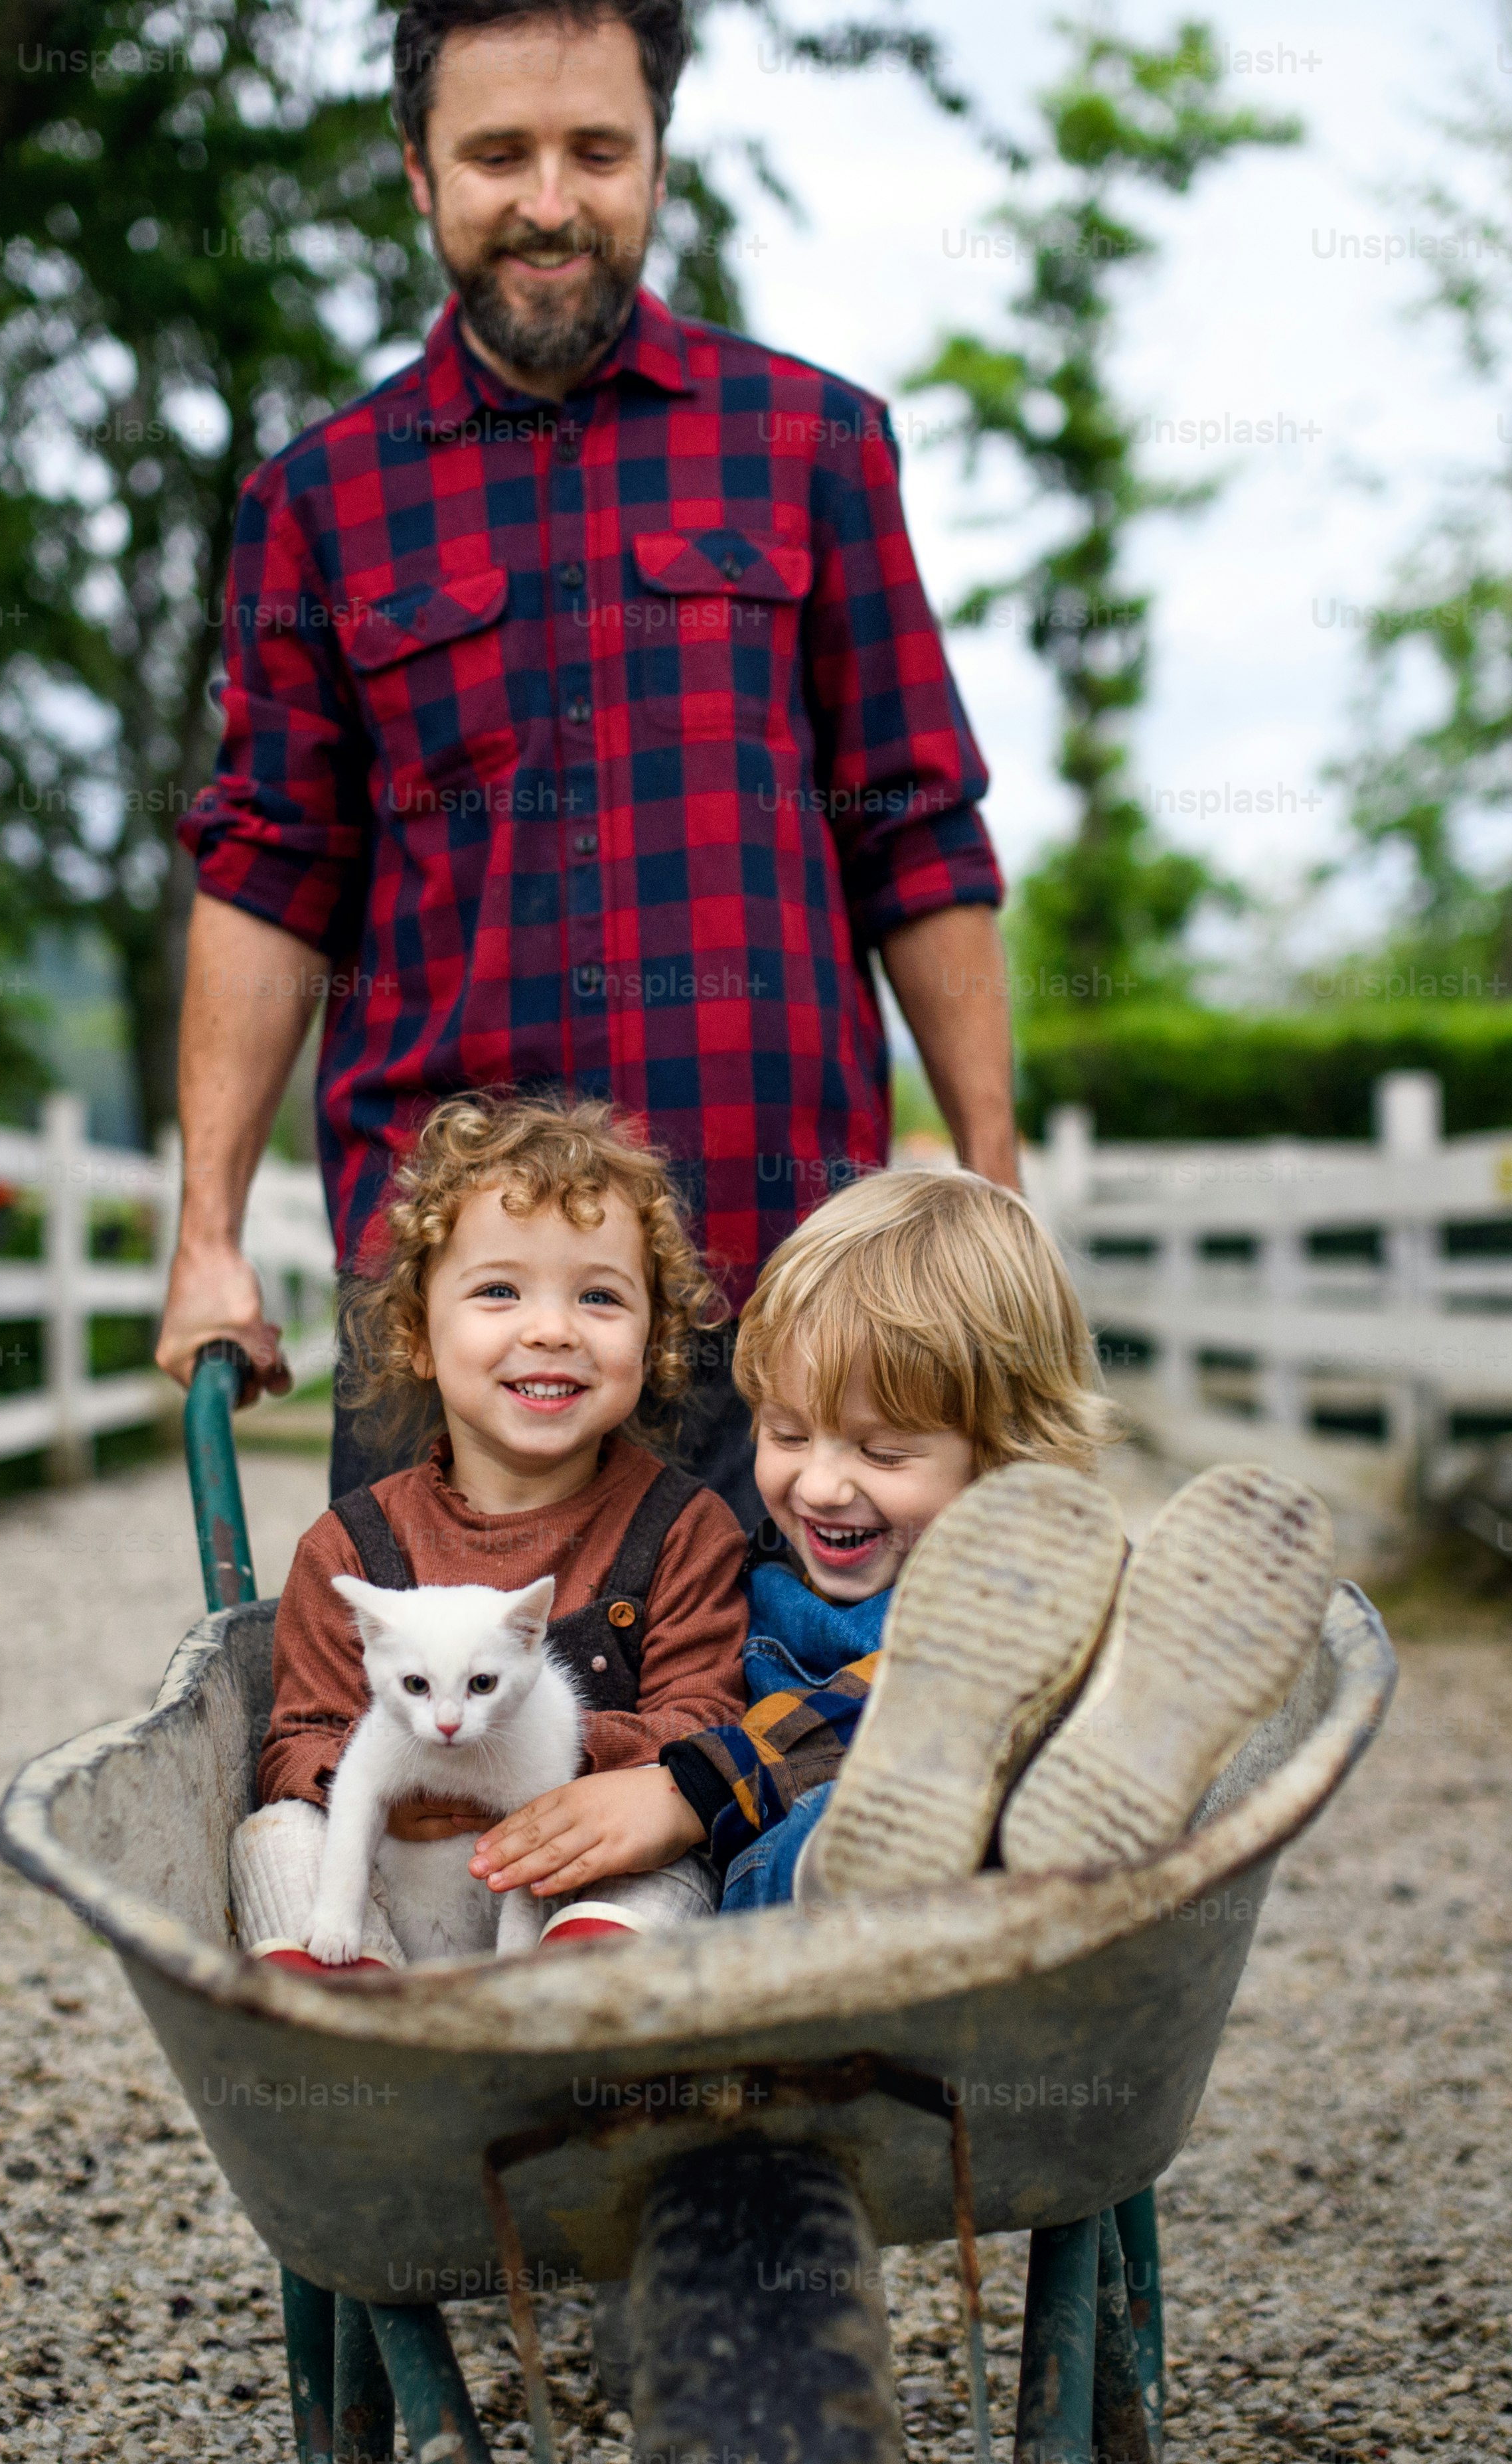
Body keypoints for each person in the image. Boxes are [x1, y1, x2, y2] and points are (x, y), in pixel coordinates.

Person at [156, 0, 1023, 1536]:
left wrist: (991, 1186)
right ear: (418, 173)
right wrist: (206, 1234)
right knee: (446, 1753)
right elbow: (268, 875)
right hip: (453, 1312)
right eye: (498, 154)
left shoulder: (812, 448)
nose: (547, 203)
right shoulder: (315, 505)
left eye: (593, 152)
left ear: (656, 166)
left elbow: (915, 830)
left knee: (786, 1745)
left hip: (783, 1289)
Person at [462, 1170, 1123, 1912]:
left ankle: (1105, 1774)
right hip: (814, 1930)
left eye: (883, 1453)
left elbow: (917, 1697)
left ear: (1005, 1452)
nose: (819, 1486)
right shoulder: (757, 1565)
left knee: (850, 1811)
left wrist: (693, 1786)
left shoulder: (1016, 1580)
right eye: (788, 1434)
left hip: (891, 1884)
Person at [227, 1093, 751, 1971]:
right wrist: (391, 1781)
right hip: (397, 1893)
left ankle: (570, 2007)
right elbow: (299, 1738)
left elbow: (706, 1720)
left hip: (578, 1876)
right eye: (499, 1291)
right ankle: (351, 2018)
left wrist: (560, 1752)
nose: (551, 1329)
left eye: (599, 1296)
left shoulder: (685, 1532)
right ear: (418, 1334)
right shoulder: (355, 1545)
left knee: (671, 1851)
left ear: (656, 1340)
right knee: (278, 1834)